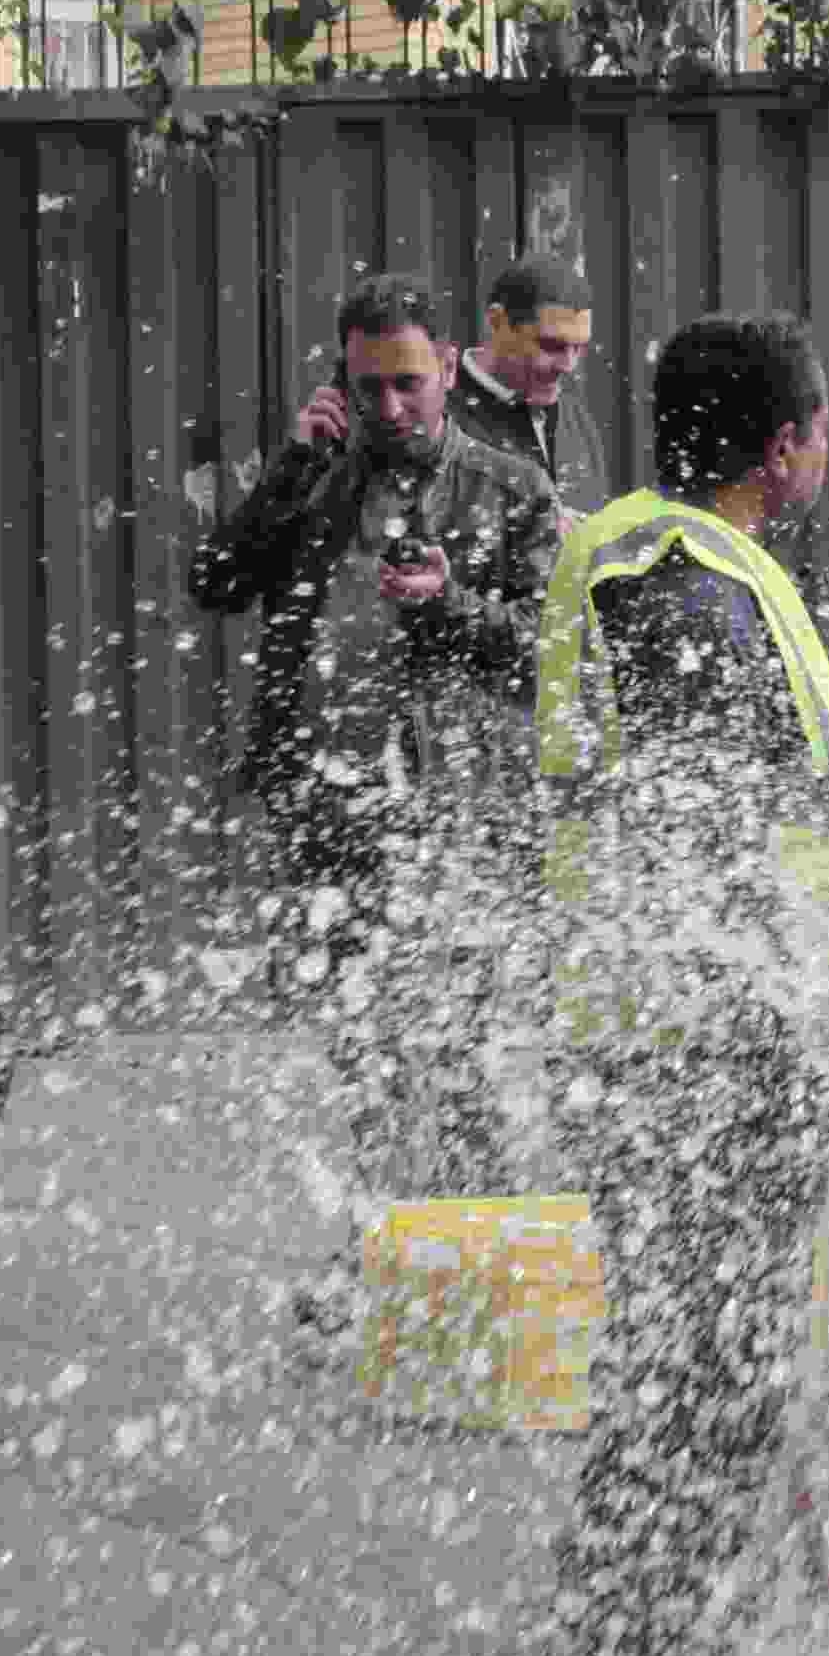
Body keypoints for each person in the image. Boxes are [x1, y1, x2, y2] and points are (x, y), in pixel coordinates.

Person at [531, 314, 829, 1656]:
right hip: (708, 1054)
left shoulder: (679, 562)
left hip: (697, 1042)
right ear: (785, 442)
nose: (827, 443)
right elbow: (708, 822)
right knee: (703, 1377)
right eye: (820, 422)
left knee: (698, 1368)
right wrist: (787, 1028)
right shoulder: (675, 578)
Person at [191, 274, 562, 1200]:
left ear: (445, 365)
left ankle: (479, 1242)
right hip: (333, 809)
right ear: (342, 384)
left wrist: (452, 606)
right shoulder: (313, 480)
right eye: (367, 388)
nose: (389, 406)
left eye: (408, 382)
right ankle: (391, 1245)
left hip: (461, 811)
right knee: (368, 1046)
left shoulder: (511, 487)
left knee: (466, 1042)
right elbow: (215, 583)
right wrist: (288, 464)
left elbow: (552, 659)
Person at [461, 250, 608, 507]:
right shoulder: (437, 415)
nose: (568, 366)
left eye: (579, 348)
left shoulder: (577, 419)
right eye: (551, 346)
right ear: (498, 322)